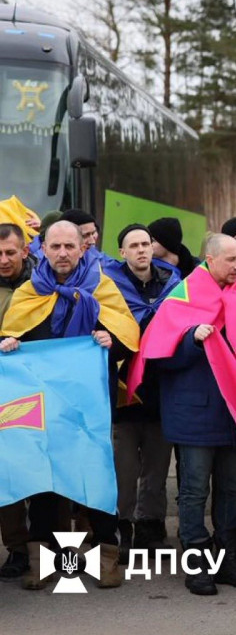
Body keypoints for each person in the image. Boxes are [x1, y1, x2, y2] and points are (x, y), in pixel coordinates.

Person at [1, 220, 139, 590]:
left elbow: (128, 337)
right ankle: (40, 561)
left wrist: (111, 340)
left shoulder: (103, 287)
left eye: (69, 247)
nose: (62, 253)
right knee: (44, 479)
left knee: (94, 474)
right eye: (55, 246)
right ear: (42, 248)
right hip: (44, 406)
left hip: (90, 405)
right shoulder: (28, 293)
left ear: (83, 248)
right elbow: (11, 338)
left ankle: (107, 555)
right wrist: (9, 343)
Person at [147, 233, 236, 595]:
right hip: (194, 415)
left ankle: (229, 561)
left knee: (233, 490)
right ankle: (197, 564)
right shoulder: (180, 299)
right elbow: (159, 358)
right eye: (231, 261)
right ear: (209, 259)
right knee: (193, 493)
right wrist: (191, 339)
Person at [104, 224, 181, 560]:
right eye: (133, 245)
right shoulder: (107, 287)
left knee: (157, 466)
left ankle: (151, 528)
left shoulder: (174, 283)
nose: (140, 250)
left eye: (145, 244)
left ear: (153, 247)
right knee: (123, 468)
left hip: (161, 390)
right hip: (122, 393)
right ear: (122, 252)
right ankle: (121, 528)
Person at [0, 222, 36, 580]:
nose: (3, 259)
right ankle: (17, 549)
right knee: (5, 475)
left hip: (39, 394)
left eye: (10, 252)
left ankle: (48, 547)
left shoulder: (44, 286)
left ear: (25, 251)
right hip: (3, 397)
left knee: (42, 475)